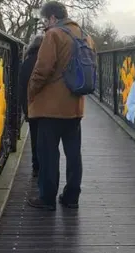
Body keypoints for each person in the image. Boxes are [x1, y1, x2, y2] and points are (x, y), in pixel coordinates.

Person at [26, 1, 96, 211]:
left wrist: (30, 91)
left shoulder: (54, 35)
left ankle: (47, 198)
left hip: (51, 108)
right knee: (74, 153)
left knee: (48, 154)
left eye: (45, 21)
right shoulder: (86, 36)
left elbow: (42, 69)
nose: (45, 25)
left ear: (53, 18)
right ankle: (71, 197)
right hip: (76, 105)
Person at [18, 34, 44, 178]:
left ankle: (36, 165)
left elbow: (22, 87)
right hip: (47, 106)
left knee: (34, 135)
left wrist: (24, 108)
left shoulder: (27, 62)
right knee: (46, 137)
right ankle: (46, 165)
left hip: (31, 105)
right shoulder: (47, 61)